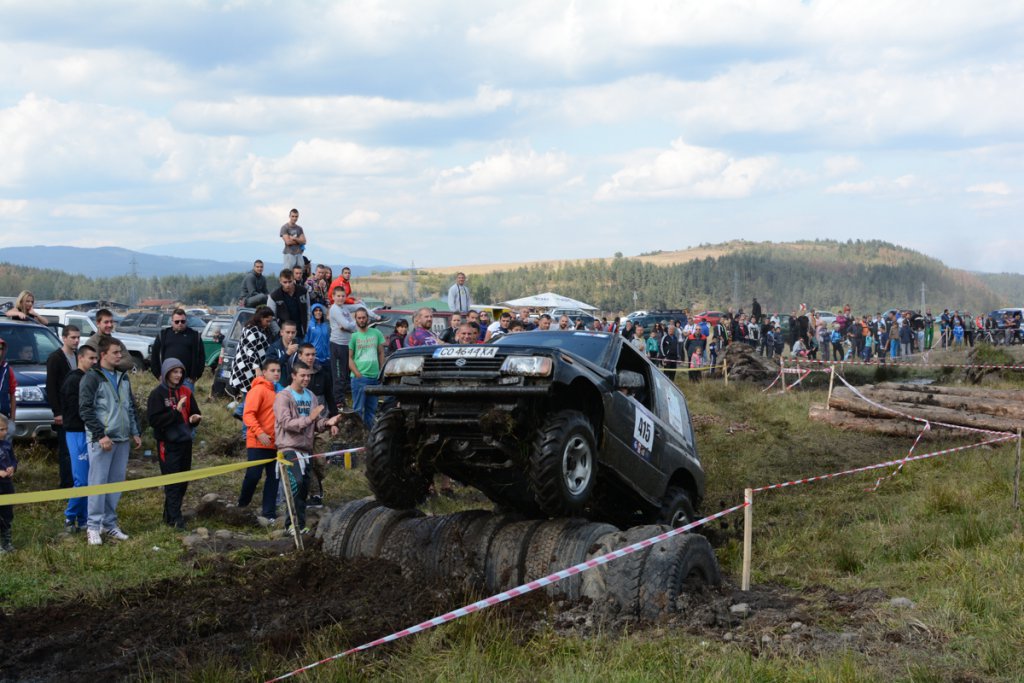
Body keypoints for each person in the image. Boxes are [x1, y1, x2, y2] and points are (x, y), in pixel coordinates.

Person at [78, 337, 142, 546]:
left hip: (122, 439)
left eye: (120, 352)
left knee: (115, 483)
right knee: (98, 484)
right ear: (103, 355)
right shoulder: (92, 377)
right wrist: (100, 435)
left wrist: (135, 431)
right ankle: (93, 527)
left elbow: (129, 406)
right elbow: (85, 410)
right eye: (115, 352)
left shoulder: (123, 377)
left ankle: (109, 523)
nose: (119, 356)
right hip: (102, 440)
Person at [274, 360, 341, 532]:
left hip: (306, 449)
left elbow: (316, 422)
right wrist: (309, 419)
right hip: (289, 447)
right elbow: (286, 423)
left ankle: (300, 526)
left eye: (308, 376)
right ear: (293, 375)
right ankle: (291, 525)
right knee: (296, 484)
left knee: (304, 488)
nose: (306, 379)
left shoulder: (311, 396)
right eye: (302, 375)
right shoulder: (283, 396)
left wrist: (327, 423)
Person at [146, 359, 202, 529]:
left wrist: (194, 419)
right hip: (168, 444)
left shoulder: (186, 391)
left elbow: (194, 412)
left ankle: (169, 515)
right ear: (166, 373)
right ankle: (176, 521)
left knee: (183, 483)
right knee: (172, 483)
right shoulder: (157, 394)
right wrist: (176, 412)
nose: (178, 375)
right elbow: (154, 421)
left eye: (180, 372)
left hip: (185, 442)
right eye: (174, 372)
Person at [238, 359, 282, 525]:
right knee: (253, 476)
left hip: (275, 443)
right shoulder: (257, 390)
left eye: (278, 370)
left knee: (273, 479)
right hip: (258, 442)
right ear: (264, 372)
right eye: (272, 370)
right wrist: (260, 433)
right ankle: (242, 505)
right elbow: (248, 414)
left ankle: (269, 512)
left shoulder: (279, 392)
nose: (276, 373)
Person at [60, 343, 97, 534]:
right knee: (81, 480)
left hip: (87, 432)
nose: (94, 361)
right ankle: (69, 516)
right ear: (80, 358)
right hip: (76, 432)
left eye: (96, 358)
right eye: (91, 358)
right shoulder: (74, 380)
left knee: (89, 479)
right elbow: (76, 409)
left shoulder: (88, 378)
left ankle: (83, 519)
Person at [46, 324, 80, 490]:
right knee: (66, 449)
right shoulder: (55, 358)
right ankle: (66, 483)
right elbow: (51, 386)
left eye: (78, 337)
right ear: (64, 338)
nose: (76, 341)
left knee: (76, 449)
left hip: (76, 410)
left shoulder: (78, 356)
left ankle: (76, 480)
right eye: (73, 337)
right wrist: (57, 412)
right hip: (63, 411)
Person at [349, 308, 386, 429]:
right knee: (358, 410)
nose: (361, 320)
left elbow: (381, 352)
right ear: (356, 320)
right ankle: (357, 436)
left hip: (374, 377)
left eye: (363, 317)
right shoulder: (353, 336)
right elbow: (349, 358)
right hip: (360, 378)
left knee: (371, 410)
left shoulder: (376, 333)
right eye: (359, 318)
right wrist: (357, 374)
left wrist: (381, 371)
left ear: (368, 318)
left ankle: (369, 435)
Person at [150, 308, 205, 389]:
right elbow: (154, 356)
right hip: (167, 379)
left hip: (187, 380)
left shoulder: (194, 336)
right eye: (177, 322)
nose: (180, 324)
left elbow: (201, 357)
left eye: (183, 321)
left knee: (186, 398)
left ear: (186, 321)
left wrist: (196, 376)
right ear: (172, 321)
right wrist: (158, 375)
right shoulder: (163, 335)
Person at [228, 306, 274, 397]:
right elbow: (250, 350)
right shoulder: (253, 330)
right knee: (250, 396)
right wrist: (257, 368)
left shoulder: (258, 328)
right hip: (247, 368)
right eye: (267, 321)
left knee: (251, 396)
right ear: (261, 318)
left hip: (250, 367)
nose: (269, 324)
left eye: (270, 321)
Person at [328, 289, 358, 409]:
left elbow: (352, 327)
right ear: (333, 297)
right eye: (338, 296)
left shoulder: (344, 309)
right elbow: (347, 325)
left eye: (343, 296)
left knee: (346, 373)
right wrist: (352, 326)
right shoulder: (335, 309)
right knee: (338, 374)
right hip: (337, 345)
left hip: (347, 344)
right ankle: (338, 401)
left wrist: (351, 326)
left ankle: (347, 398)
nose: (341, 298)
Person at [269, 269, 308, 338]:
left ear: (293, 280)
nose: (288, 285)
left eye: (290, 282)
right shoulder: (274, 296)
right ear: (280, 281)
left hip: (301, 331)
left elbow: (308, 312)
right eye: (285, 282)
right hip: (284, 333)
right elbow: (271, 317)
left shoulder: (303, 291)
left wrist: (307, 329)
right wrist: (279, 332)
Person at [0, 415, 16, 553]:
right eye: (1, 429)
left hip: (7, 485)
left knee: (7, 514)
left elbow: (13, 460)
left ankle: (7, 542)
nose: (5, 432)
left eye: (6, 429)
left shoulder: (7, 445)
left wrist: (12, 468)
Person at [304, 303, 331, 368]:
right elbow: (306, 341)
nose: (318, 312)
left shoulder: (326, 325)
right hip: (315, 357)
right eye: (316, 310)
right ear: (312, 312)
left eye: (320, 310)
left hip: (327, 357)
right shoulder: (309, 325)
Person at [0, 338, 16, 438]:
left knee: (5, 445)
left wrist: (12, 419)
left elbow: (12, 394)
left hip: (4, 416)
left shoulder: (7, 369)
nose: (0, 351)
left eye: (1, 348)